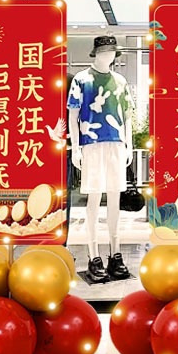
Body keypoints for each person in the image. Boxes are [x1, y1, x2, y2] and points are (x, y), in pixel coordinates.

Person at [68, 35, 134, 282]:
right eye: (104, 51)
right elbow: (73, 116)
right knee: (94, 199)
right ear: (95, 53)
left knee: (115, 198)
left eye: (111, 51)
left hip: (116, 143)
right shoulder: (81, 79)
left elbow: (127, 116)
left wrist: (129, 144)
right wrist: (76, 148)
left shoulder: (120, 81)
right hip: (91, 144)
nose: (108, 55)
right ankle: (94, 255)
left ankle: (115, 254)